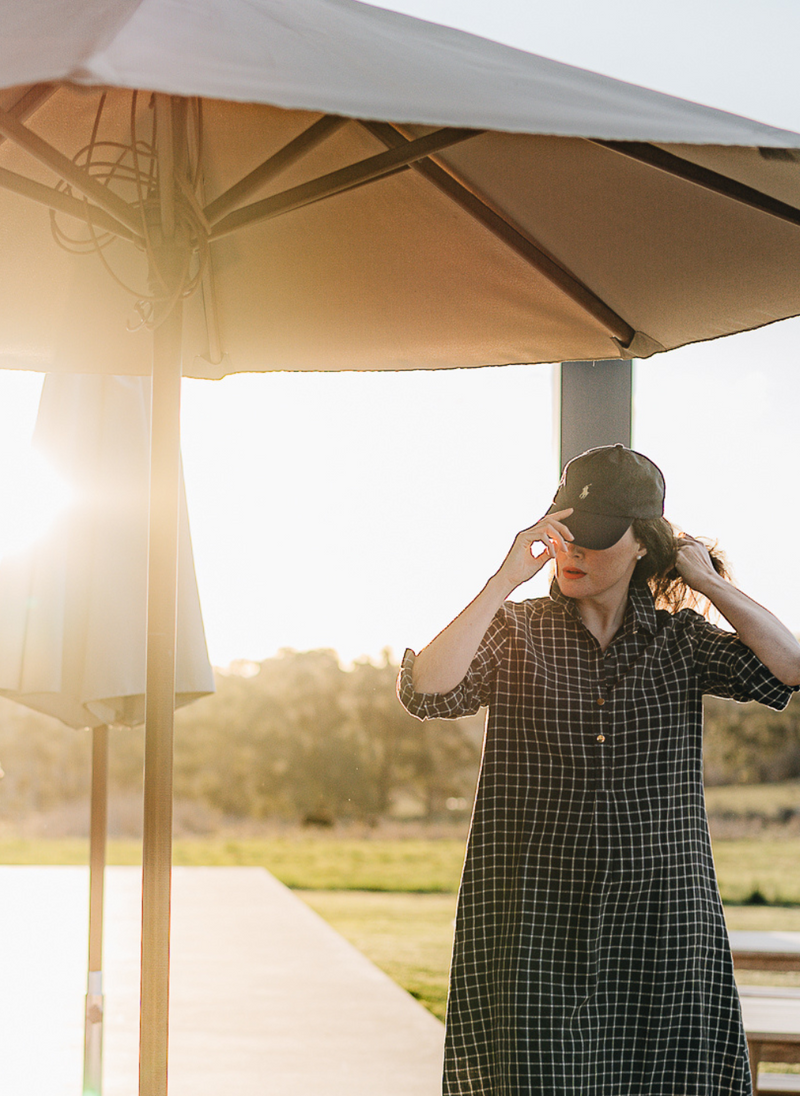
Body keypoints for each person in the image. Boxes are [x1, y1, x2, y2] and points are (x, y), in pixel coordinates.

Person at [397, 444, 800, 1096]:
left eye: (598, 539)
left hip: (662, 929)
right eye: (568, 536)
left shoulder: (683, 642)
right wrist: (503, 579)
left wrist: (709, 584)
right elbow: (428, 689)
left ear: (644, 544)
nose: (575, 552)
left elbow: (790, 667)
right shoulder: (515, 633)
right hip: (530, 929)